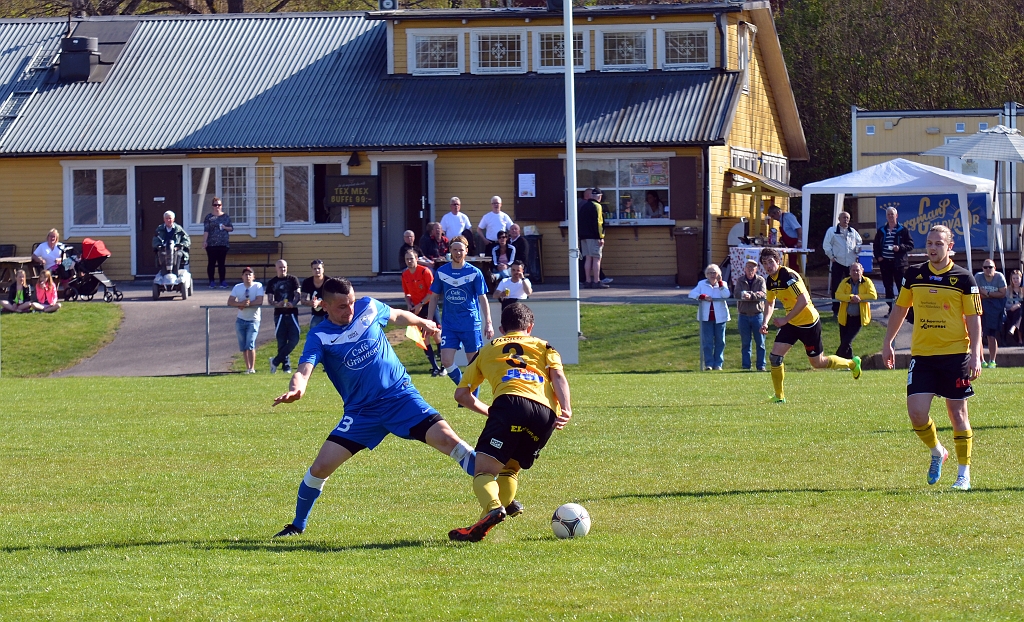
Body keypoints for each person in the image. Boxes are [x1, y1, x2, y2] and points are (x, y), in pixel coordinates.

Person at [270, 277, 477, 538]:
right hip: (361, 414)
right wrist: (297, 387)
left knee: (452, 442)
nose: (350, 310)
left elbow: (398, 315)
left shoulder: (368, 307)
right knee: (320, 468)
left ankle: (499, 491)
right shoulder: (319, 336)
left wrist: (422, 321)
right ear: (324, 306)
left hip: (401, 398)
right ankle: (297, 526)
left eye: (352, 303)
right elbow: (304, 369)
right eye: (342, 306)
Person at [449, 302, 572, 542]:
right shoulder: (544, 345)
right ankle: (484, 522)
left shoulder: (488, 349)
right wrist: (566, 408)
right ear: (530, 327)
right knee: (510, 469)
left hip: (510, 405)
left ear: (502, 328)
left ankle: (494, 507)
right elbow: (557, 375)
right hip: (546, 414)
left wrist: (489, 411)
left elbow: (462, 395)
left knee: (483, 471)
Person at [882, 225, 982, 492]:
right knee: (916, 414)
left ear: (950, 247)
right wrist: (888, 342)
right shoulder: (914, 274)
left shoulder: (964, 279)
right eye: (929, 243)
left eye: (939, 243)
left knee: (957, 414)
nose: (932, 248)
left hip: (956, 355)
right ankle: (938, 451)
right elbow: (901, 309)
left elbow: (973, 319)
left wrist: (976, 354)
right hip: (923, 355)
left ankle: (964, 475)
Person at [760, 247, 861, 404]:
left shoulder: (788, 276)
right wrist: (765, 321)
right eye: (765, 263)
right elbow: (770, 302)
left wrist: (785, 319)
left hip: (808, 323)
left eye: (771, 262)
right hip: (791, 324)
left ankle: (852, 363)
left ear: (778, 261)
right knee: (775, 358)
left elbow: (803, 300)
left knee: (818, 363)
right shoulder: (770, 281)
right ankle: (779, 397)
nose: (768, 266)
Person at [427, 236, 493, 390]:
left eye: (461, 250)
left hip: (470, 324)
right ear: (450, 251)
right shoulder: (442, 272)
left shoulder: (475, 272)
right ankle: (464, 389)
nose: (458, 253)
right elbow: (434, 297)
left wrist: (488, 323)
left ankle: (470, 399)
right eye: (454, 249)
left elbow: (483, 299)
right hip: (449, 325)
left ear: (466, 251)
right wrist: (429, 320)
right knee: (446, 361)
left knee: (473, 364)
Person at [401, 249, 443, 376]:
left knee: (436, 334)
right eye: (407, 259)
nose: (409, 261)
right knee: (423, 338)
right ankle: (434, 367)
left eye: (411, 259)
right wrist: (409, 304)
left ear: (416, 258)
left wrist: (420, 304)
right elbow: (406, 293)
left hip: (429, 306)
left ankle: (443, 366)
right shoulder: (405, 275)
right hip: (416, 308)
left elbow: (432, 293)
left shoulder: (425, 271)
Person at [873, 206, 914, 316]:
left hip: (898, 263)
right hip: (885, 263)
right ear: (886, 217)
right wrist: (879, 257)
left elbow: (910, 245)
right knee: (888, 286)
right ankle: (891, 309)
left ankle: (904, 310)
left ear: (896, 216)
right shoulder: (882, 230)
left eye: (892, 214)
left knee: (901, 286)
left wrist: (899, 247)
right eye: (889, 214)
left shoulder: (903, 230)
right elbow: (876, 246)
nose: (891, 216)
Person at [689, 264, 730, 370]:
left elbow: (726, 295)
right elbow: (692, 294)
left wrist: (720, 284)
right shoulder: (701, 284)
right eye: (710, 273)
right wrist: (702, 296)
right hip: (706, 317)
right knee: (707, 341)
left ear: (719, 274)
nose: (712, 275)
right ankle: (709, 364)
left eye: (714, 272)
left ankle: (718, 364)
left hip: (720, 317)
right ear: (706, 275)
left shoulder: (723, 284)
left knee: (720, 341)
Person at [822, 211, 863, 317]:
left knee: (852, 286)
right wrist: (831, 257)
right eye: (844, 217)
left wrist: (858, 250)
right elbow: (826, 245)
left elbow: (859, 241)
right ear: (839, 219)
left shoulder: (853, 231)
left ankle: (852, 309)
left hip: (850, 263)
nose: (846, 220)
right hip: (838, 262)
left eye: (848, 218)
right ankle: (835, 310)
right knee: (836, 286)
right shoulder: (832, 231)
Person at [834, 262, 877, 359]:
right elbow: (837, 295)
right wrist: (851, 297)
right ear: (849, 272)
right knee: (845, 342)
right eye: (853, 270)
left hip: (858, 318)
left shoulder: (867, 282)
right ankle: (850, 364)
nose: (855, 272)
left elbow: (873, 295)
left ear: (862, 271)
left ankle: (834, 358)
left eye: (857, 270)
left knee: (847, 341)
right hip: (845, 317)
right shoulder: (845, 282)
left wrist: (859, 297)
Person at [266, 259, 302, 374]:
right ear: (276, 268)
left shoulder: (293, 280)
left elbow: (298, 294)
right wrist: (278, 304)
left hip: (292, 313)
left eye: (284, 267)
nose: (283, 269)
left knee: (294, 339)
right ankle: (285, 366)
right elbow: (270, 300)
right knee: (281, 341)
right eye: (280, 267)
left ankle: (275, 361)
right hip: (279, 314)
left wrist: (294, 303)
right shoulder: (272, 282)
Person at [227, 267, 264, 374]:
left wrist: (247, 304)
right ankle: (247, 367)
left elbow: (259, 301)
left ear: (253, 277)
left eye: (249, 274)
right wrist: (240, 304)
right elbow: (230, 301)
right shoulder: (237, 287)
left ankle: (252, 368)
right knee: (243, 346)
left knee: (250, 343)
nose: (247, 276)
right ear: (242, 277)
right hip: (241, 319)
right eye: (245, 274)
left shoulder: (258, 286)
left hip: (253, 319)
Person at [734, 258, 767, 371]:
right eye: (748, 267)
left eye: (752, 267)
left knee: (760, 342)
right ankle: (746, 366)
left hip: (757, 315)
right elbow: (736, 294)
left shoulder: (761, 280)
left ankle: (761, 365)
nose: (750, 269)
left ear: (756, 269)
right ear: (745, 269)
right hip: (743, 315)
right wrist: (744, 295)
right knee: (745, 343)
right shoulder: (740, 280)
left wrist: (751, 296)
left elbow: (763, 294)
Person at [974, 260, 1006, 368]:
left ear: (995, 268)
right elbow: (975, 294)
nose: (988, 269)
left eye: (990, 267)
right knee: (978, 335)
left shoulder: (999, 277)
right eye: (985, 267)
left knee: (991, 336)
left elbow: (1002, 294)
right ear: (982, 268)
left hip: (995, 309)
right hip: (980, 307)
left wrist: (986, 293)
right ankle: (981, 360)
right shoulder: (978, 277)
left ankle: (992, 360)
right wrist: (992, 295)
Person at [579, 187, 609, 289]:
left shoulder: (583, 206)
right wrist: (600, 237)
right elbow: (598, 223)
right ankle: (596, 281)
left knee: (588, 258)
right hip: (593, 236)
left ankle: (588, 280)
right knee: (596, 258)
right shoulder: (597, 206)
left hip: (583, 237)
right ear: (599, 197)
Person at [202, 197, 233, 289]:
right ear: (212, 206)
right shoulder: (209, 217)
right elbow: (206, 230)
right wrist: (205, 241)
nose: (217, 207)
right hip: (211, 244)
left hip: (223, 243)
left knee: (221, 263)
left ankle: (222, 281)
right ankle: (211, 281)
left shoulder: (226, 217)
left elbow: (231, 228)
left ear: (221, 206)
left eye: (219, 205)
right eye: (215, 205)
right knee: (211, 263)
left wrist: (224, 227)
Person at [767, 205, 802, 269]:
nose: (773, 218)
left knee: (795, 264)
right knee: (791, 263)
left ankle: (796, 277)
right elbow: (788, 231)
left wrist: (800, 241)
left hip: (795, 244)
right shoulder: (781, 220)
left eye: (773, 216)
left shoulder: (788, 217)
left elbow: (799, 228)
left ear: (777, 212)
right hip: (790, 245)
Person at [301, 259, 330, 330]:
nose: (317, 270)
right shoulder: (307, 282)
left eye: (319, 268)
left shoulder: (329, 282)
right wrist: (310, 302)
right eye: (315, 268)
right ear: (312, 270)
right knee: (313, 334)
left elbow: (333, 300)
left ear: (323, 269)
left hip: (329, 315)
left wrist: (319, 303)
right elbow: (302, 300)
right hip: (315, 314)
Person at [1004, 269, 1023, 346]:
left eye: (1017, 278)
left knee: (1020, 311)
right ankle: (1019, 339)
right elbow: (1005, 304)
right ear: (1011, 280)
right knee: (1019, 313)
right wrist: (1012, 307)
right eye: (1013, 278)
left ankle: (1014, 328)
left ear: (1021, 279)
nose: (1015, 280)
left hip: (1021, 312)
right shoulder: (1008, 290)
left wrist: (1019, 305)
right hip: (1010, 312)